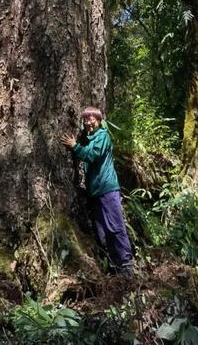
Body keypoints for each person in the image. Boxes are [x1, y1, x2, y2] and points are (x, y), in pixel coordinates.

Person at [60, 106, 134, 277]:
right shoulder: (88, 138)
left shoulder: (102, 136)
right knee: (101, 232)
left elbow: (92, 155)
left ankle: (126, 264)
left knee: (115, 226)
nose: (88, 123)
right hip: (95, 192)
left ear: (99, 121)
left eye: (91, 119)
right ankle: (113, 267)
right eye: (85, 119)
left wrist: (74, 146)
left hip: (107, 189)